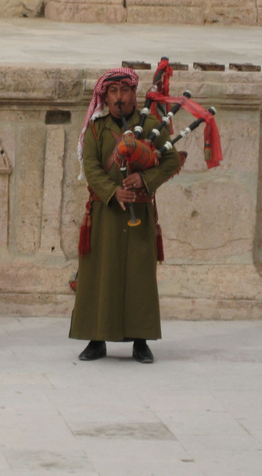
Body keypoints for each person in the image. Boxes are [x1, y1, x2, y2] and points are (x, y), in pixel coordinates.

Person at [70, 68, 181, 363]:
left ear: (134, 94)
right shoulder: (96, 128)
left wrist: (145, 180)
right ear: (105, 96)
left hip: (140, 213)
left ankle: (141, 341)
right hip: (104, 213)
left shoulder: (154, 126)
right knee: (99, 275)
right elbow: (91, 168)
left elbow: (170, 160)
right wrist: (113, 191)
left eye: (125, 91)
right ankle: (96, 339)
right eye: (113, 92)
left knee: (139, 276)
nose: (119, 97)